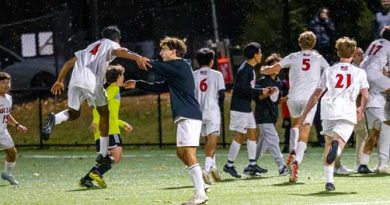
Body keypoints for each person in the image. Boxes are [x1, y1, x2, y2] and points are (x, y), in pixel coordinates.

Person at [40, 26, 149, 167]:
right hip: (92, 80)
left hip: (75, 79)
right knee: (104, 113)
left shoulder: (91, 47)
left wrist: (59, 80)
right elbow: (119, 51)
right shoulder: (112, 44)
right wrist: (138, 57)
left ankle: (55, 118)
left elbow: (68, 63)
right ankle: (103, 154)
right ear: (117, 38)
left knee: (73, 113)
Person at [124, 37, 208, 205]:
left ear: (174, 52)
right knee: (181, 153)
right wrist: (138, 83)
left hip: (188, 115)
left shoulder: (179, 65)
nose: (161, 52)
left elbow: (153, 65)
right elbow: (161, 86)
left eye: (164, 49)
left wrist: (136, 58)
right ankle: (202, 184)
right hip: (186, 116)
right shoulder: (176, 68)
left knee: (188, 154)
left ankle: (200, 194)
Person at [298, 37, 369, 191]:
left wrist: (304, 115)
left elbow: (316, 95)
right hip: (346, 111)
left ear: (338, 52)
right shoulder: (360, 72)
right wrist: (361, 109)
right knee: (337, 145)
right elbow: (366, 95)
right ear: (353, 52)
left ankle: (329, 182)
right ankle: (336, 150)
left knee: (328, 144)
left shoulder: (329, 70)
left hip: (328, 111)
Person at [261, 31, 329, 182]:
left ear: (300, 43)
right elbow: (329, 72)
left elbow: (273, 69)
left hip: (293, 98)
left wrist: (263, 69)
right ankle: (296, 162)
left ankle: (292, 150)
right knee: (304, 132)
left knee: (295, 125)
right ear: (314, 43)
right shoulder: (318, 58)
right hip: (309, 99)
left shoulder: (293, 56)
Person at [223, 42, 272, 178]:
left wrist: (260, 90)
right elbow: (243, 89)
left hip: (245, 107)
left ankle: (251, 164)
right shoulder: (245, 70)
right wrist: (261, 90)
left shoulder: (249, 68)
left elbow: (247, 88)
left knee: (252, 133)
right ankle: (229, 165)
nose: (261, 55)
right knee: (240, 135)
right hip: (239, 108)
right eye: (260, 52)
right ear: (255, 55)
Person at [79, 65, 133, 188]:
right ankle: (96, 173)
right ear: (118, 77)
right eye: (122, 75)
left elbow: (111, 114)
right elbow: (100, 105)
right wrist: (96, 120)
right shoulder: (113, 89)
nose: (124, 77)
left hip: (109, 128)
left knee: (112, 157)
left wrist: (122, 124)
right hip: (108, 130)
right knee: (116, 156)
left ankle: (87, 179)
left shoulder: (112, 90)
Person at [359, 26, 390, 174]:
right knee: (388, 127)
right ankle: (383, 164)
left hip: (364, 78)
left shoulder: (374, 43)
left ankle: (363, 164)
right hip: (374, 83)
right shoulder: (389, 45)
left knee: (373, 133)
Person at [193, 48, 225, 185]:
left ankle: (213, 167)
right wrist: (220, 108)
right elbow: (222, 94)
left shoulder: (193, 75)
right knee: (212, 141)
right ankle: (206, 169)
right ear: (212, 61)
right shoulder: (217, 74)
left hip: (198, 112)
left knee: (208, 141)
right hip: (212, 111)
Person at [254, 53, 288, 176]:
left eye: (278, 65)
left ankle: (252, 165)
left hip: (271, 115)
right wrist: (267, 93)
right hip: (263, 115)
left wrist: (286, 98)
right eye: (275, 65)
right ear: (269, 67)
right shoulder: (263, 80)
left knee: (262, 143)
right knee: (274, 140)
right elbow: (257, 97)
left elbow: (277, 100)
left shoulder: (278, 82)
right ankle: (281, 166)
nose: (277, 67)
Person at [0, 72, 27, 185]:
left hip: (2, 131)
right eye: (3, 83)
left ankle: (7, 174)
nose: (6, 85)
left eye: (8, 82)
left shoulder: (8, 98)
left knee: (12, 153)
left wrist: (17, 125)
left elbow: (6, 115)